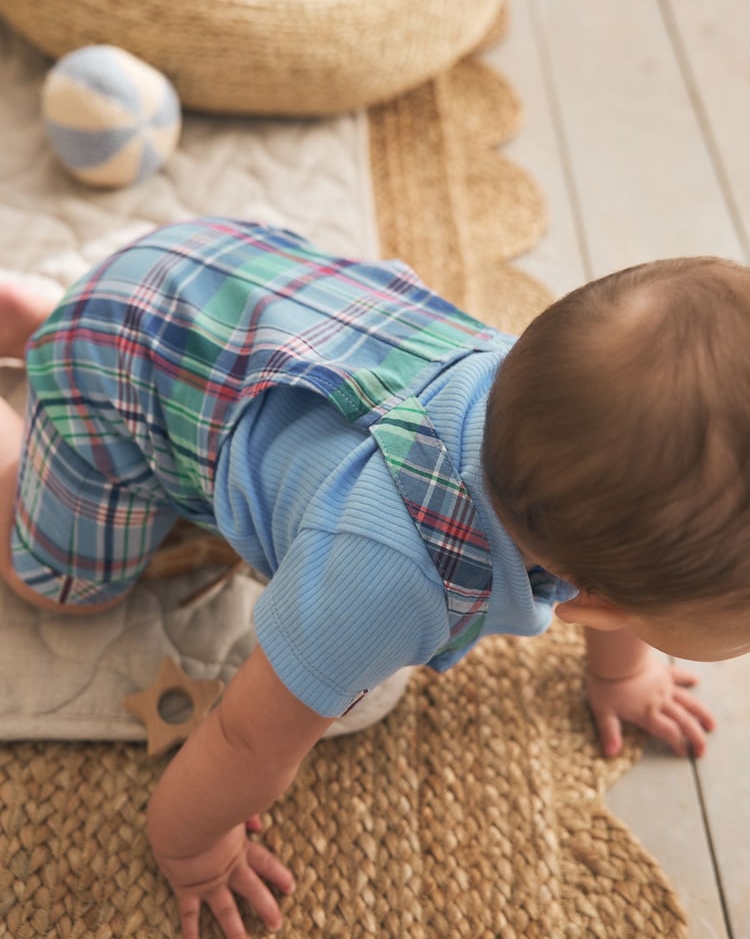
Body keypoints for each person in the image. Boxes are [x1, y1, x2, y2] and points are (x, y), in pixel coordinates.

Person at [0, 217, 739, 939]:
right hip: (115, 369)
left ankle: (45, 312)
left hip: (223, 270)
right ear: (601, 600)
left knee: (125, 317)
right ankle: (28, 409)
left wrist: (620, 678)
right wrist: (192, 848)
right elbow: (245, 741)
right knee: (58, 588)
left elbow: (613, 584)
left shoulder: (555, 406)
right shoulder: (387, 581)